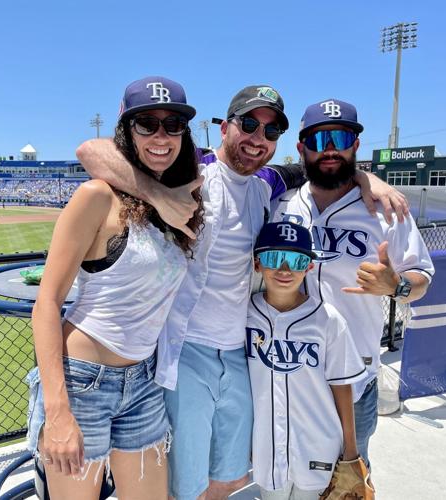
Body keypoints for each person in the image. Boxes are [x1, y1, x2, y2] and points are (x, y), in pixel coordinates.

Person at [77, 85, 408, 500]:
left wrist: (364, 175)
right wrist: (160, 196)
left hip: (240, 350)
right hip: (188, 350)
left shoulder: (266, 182)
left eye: (270, 133)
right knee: (186, 481)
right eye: (248, 124)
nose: (257, 139)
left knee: (231, 477)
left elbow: (325, 167)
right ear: (224, 127)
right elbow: (92, 150)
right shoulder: (189, 167)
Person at [27, 76, 203, 500]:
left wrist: (366, 181)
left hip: (144, 381)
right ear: (127, 131)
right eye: (147, 124)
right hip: (83, 381)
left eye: (173, 125)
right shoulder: (96, 199)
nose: (161, 136)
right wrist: (58, 412)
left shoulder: (181, 201)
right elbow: (47, 304)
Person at [272, 98, 435, 468]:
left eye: (340, 137)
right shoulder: (281, 204)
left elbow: (421, 277)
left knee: (350, 475)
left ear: (355, 145)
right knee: (287, 474)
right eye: (317, 140)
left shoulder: (386, 210)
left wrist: (396, 286)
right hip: (285, 369)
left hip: (355, 376)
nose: (329, 148)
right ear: (301, 149)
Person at [247, 222, 367, 499]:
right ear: (257, 264)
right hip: (266, 446)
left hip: (319, 444)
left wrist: (351, 450)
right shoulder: (245, 314)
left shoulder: (328, 319)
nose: (285, 270)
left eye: (297, 260)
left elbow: (342, 388)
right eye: (274, 258)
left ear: (309, 267)